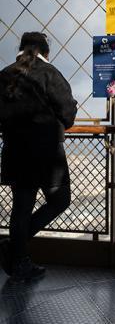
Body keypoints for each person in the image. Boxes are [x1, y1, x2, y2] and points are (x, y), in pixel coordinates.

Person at [0, 32, 77, 282]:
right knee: (59, 200)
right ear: (46, 52)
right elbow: (67, 114)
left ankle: (18, 256)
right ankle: (14, 248)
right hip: (47, 154)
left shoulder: (6, 74)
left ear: (21, 49)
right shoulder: (50, 73)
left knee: (21, 207)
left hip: (14, 151)